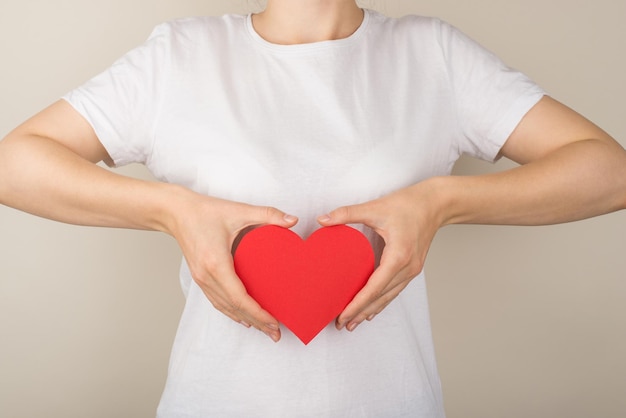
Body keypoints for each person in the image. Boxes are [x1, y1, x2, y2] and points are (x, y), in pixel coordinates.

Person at [0, 0, 624, 416]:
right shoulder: (180, 57)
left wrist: (443, 200)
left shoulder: (432, 55)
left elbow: (608, 170)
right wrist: (173, 210)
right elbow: (15, 162)